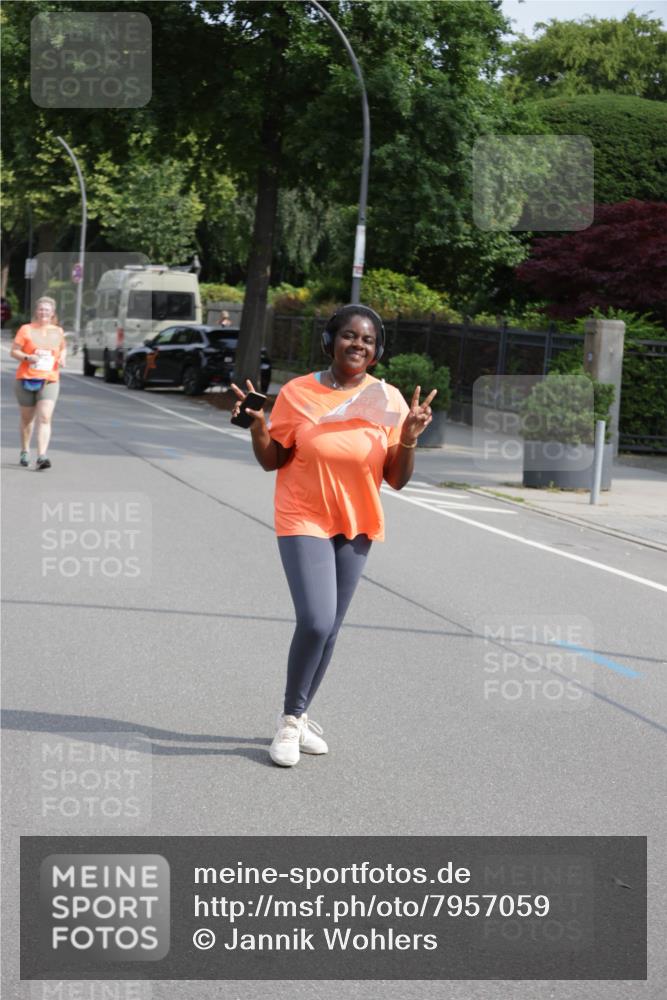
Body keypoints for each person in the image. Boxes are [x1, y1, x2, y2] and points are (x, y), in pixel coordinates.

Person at [231, 304, 436, 767]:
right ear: (330, 341)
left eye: (366, 340)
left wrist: (409, 436)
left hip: (357, 521)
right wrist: (259, 425)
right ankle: (287, 722)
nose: (357, 345)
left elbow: (396, 478)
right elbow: (273, 460)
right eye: (348, 336)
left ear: (376, 352)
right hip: (303, 515)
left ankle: (301, 716)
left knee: (331, 630)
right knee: (317, 620)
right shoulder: (298, 393)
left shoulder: (389, 399)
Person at [10, 296, 66, 470]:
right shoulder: (26, 329)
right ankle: (25, 450)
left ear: (52, 313)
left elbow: (62, 348)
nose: (43, 313)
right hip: (26, 378)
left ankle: (42, 456)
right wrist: (28, 357)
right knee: (27, 419)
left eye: (47, 310)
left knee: (45, 417)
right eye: (41, 309)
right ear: (36, 311)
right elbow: (14, 351)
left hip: (49, 380)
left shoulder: (57, 331)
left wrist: (63, 358)